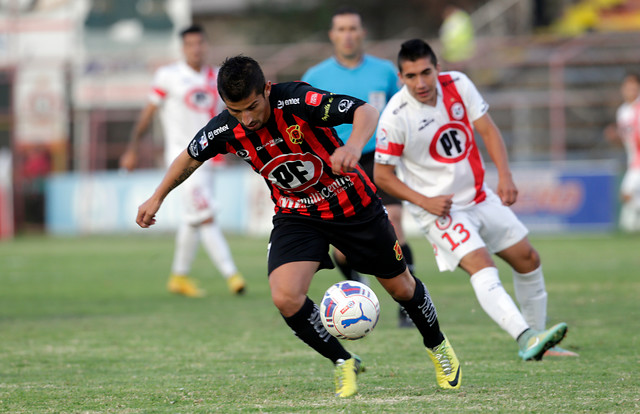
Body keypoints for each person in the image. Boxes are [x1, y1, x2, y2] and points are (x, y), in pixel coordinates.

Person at [136, 55, 462, 397]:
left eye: (252, 107)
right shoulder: (226, 127)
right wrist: (157, 196)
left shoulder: (297, 100)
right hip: (297, 216)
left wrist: (352, 147)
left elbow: (365, 112)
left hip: (352, 205)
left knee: (402, 289)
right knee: (286, 297)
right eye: (236, 111)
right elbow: (190, 155)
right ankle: (343, 361)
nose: (246, 119)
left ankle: (438, 346)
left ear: (266, 89)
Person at [374, 39, 572, 361]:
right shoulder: (395, 116)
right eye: (411, 76)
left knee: (528, 259)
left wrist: (505, 176)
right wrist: (424, 201)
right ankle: (525, 339)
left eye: (426, 72)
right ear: (400, 78)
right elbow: (382, 176)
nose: (421, 83)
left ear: (438, 68)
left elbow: (489, 131)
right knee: (483, 264)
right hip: (440, 211)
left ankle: (540, 342)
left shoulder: (459, 85)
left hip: (479, 197)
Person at [302, 7, 414, 327]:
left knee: (393, 224)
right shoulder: (315, 76)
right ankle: (359, 293)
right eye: (341, 29)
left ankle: (408, 301)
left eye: (353, 28)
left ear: (362, 33)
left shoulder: (385, 72)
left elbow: (402, 111)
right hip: (336, 164)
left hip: (378, 158)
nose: (348, 35)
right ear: (332, 35)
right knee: (341, 248)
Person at [120, 24, 246, 297]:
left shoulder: (216, 77)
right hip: (183, 159)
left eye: (200, 43)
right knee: (206, 216)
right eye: (190, 44)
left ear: (206, 45)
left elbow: (229, 118)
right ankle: (232, 276)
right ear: (182, 48)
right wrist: (132, 148)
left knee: (192, 219)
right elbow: (148, 112)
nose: (196, 49)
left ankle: (178, 277)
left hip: (210, 159)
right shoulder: (168, 76)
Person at [605, 72, 640, 232]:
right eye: (627, 86)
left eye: (634, 86)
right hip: (633, 160)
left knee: (627, 194)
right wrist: (615, 137)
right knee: (628, 197)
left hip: (638, 162)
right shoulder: (623, 111)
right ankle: (632, 229)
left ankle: (631, 228)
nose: (630, 89)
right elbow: (626, 140)